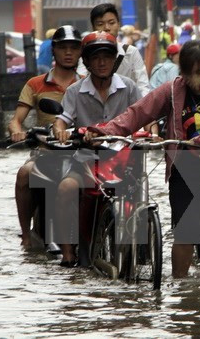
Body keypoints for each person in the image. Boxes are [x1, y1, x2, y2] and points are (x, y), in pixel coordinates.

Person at [85, 40, 200, 277]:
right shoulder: (172, 91)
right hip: (183, 172)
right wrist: (104, 131)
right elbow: (138, 113)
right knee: (184, 232)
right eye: (189, 72)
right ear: (181, 71)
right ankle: (182, 292)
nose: (195, 78)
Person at [53, 31, 142, 266]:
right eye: (96, 57)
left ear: (115, 60)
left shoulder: (130, 87)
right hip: (86, 159)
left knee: (141, 196)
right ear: (88, 61)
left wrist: (151, 132)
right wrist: (60, 130)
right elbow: (62, 119)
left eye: (107, 57)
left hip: (124, 159)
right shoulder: (75, 91)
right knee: (65, 188)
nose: (102, 62)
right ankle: (68, 251)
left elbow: (144, 116)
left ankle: (141, 248)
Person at [8, 25, 83, 249]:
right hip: (46, 150)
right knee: (23, 175)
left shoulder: (87, 83)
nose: (68, 53)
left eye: (73, 48)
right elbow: (16, 119)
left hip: (80, 150)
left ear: (80, 52)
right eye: (63, 48)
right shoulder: (35, 84)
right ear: (54, 51)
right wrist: (17, 131)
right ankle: (26, 235)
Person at [83, 3, 151, 97]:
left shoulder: (131, 52)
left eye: (111, 23)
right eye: (100, 24)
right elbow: (82, 80)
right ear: (93, 28)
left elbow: (143, 86)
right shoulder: (86, 53)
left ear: (118, 25)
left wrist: (138, 109)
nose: (107, 28)